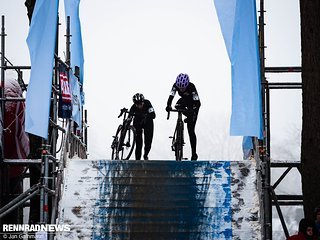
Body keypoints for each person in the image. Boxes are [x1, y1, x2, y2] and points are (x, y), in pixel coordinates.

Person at [166, 73, 201, 160]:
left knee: (191, 130)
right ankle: (180, 125)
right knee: (177, 106)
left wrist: (193, 112)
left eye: (183, 88)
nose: (181, 89)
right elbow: (171, 96)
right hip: (184, 101)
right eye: (180, 88)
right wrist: (168, 105)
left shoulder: (191, 87)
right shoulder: (175, 85)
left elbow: (198, 103)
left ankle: (194, 153)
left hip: (193, 104)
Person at [129, 93, 156, 160]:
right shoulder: (133, 107)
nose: (139, 106)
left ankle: (145, 155)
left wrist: (146, 115)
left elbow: (153, 115)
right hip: (138, 123)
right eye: (137, 104)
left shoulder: (147, 103)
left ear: (143, 102)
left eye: (141, 104)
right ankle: (137, 159)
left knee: (148, 142)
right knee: (138, 143)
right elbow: (129, 117)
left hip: (148, 122)